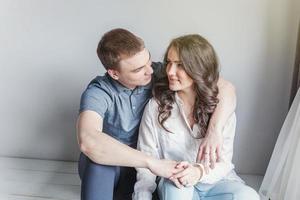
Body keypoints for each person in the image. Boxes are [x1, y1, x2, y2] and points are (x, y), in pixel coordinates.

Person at [77, 28, 237, 200]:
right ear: (114, 73)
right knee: (98, 164)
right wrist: (151, 162)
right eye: (138, 69)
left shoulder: (161, 72)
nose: (150, 71)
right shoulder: (99, 92)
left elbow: (225, 87)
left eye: (148, 60)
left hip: (152, 170)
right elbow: (88, 141)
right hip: (118, 167)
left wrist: (215, 130)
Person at [133, 34, 260, 200]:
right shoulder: (156, 107)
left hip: (214, 182)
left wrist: (198, 172)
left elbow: (224, 162)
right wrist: (143, 196)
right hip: (175, 182)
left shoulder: (221, 109)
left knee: (249, 197)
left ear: (199, 68)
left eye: (180, 65)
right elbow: (146, 159)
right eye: (169, 63)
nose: (170, 71)